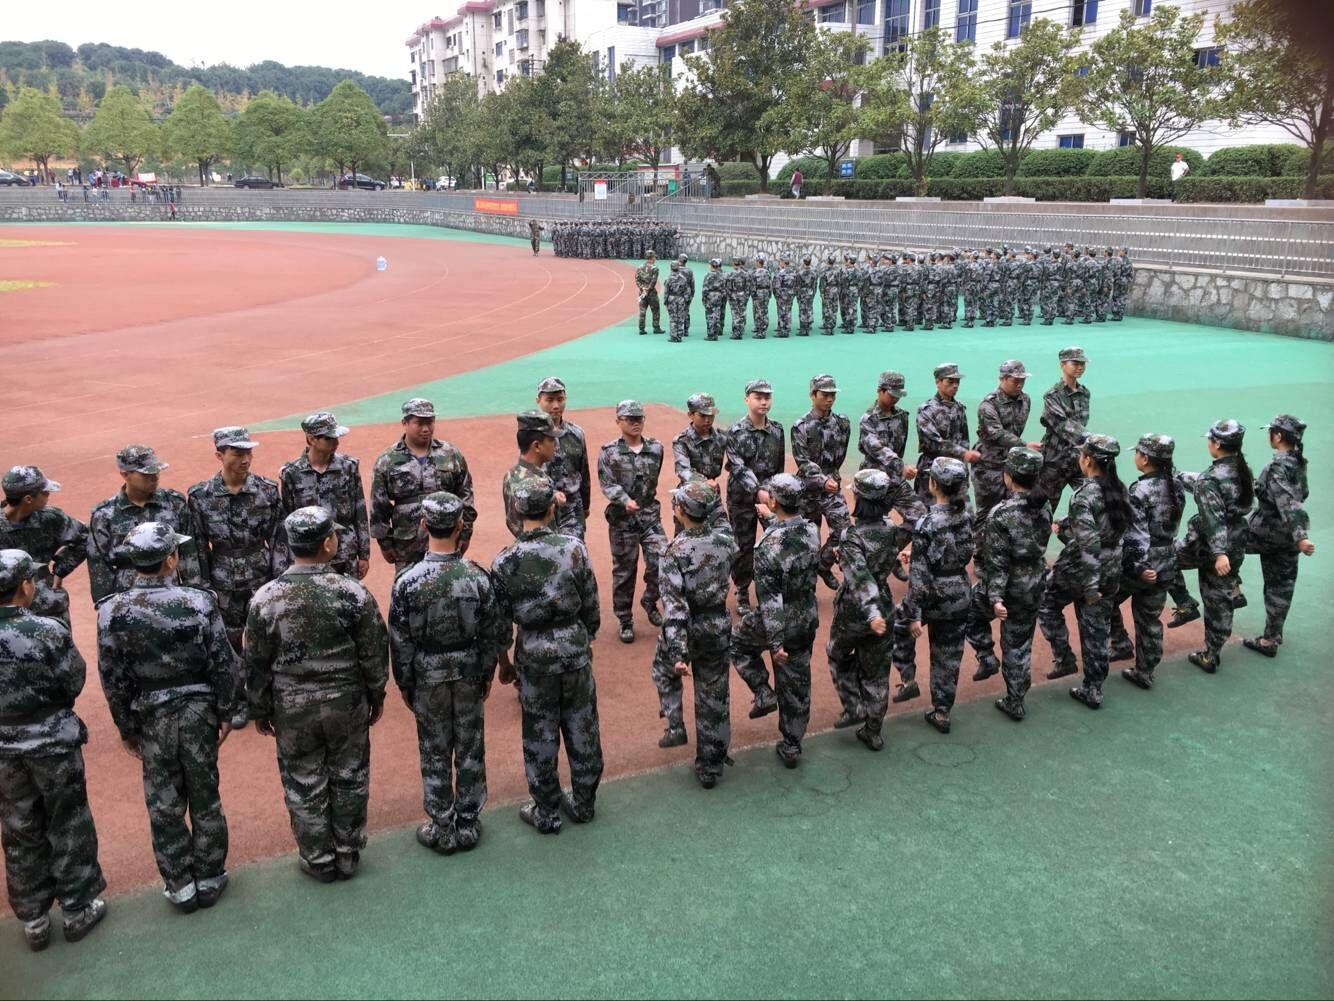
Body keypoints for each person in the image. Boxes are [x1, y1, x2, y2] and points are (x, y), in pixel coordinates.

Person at [94, 523, 237, 912]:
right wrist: (227, 710)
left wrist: (126, 727)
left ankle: (180, 885)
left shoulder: (111, 610)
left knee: (163, 801)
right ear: (171, 559)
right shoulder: (198, 601)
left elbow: (112, 677)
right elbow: (222, 661)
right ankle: (209, 875)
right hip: (197, 709)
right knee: (204, 794)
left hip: (150, 713)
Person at [245, 507, 388, 882]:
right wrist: (376, 694)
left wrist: (259, 708)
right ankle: (347, 852)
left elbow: (255, 661)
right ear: (327, 544)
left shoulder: (265, 599)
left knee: (303, 780)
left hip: (293, 706)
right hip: (345, 701)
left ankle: (318, 858)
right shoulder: (353, 592)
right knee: (349, 774)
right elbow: (374, 650)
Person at [0, 550, 108, 951]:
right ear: (26, 586)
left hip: (4, 747)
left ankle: (34, 918)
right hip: (52, 740)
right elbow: (73, 680)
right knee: (68, 820)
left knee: (18, 826)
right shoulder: (47, 630)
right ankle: (78, 907)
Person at [390, 493, 506, 855]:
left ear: (423, 525)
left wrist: (405, 682)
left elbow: (400, 641)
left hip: (428, 675)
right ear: (459, 526)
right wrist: (486, 672)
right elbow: (492, 634)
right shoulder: (477, 578)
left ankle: (442, 826)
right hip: (468, 671)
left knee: (434, 749)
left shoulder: (407, 582)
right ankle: (468, 823)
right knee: (470, 747)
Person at [491, 477, 603, 834]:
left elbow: (499, 625)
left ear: (517, 510)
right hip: (574, 649)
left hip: (534, 654)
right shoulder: (574, 549)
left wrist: (504, 663)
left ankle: (546, 811)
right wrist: (586, 637)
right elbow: (591, 604)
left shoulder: (505, 561)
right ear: (552, 508)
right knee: (582, 726)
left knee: (539, 733)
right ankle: (584, 802)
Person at [188, 427, 283, 726]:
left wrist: (279, 578)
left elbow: (278, 539)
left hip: (260, 575)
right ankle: (239, 699)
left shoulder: (267, 490)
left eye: (249, 453)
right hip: (223, 579)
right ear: (219, 455)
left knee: (266, 635)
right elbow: (198, 546)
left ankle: (266, 695)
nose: (246, 460)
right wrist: (203, 586)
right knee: (228, 642)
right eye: (238, 453)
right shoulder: (200, 496)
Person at [652, 481, 738, 783]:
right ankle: (712, 764)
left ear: (680, 511)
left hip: (689, 628)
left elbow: (674, 607)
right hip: (717, 625)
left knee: (662, 670)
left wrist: (677, 651)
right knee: (714, 695)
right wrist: (717, 500)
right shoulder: (725, 541)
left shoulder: (673, 551)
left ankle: (675, 724)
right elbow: (725, 527)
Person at [1039, 434, 1129, 709]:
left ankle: (1064, 656)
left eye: (1082, 454)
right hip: (1112, 564)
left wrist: (1090, 584)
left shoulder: (1083, 495)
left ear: (1088, 460)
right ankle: (1093, 688)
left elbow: (1089, 543)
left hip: (1084, 567)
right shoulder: (1119, 488)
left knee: (1045, 601)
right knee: (1096, 627)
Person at [964, 448, 1051, 720]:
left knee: (967, 610)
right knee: (1019, 644)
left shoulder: (1001, 513)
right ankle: (1016, 700)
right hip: (1034, 582)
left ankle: (986, 656)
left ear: (1009, 476)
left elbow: (997, 561)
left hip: (1009, 585)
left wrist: (996, 598)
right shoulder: (1044, 505)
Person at [1174, 420, 1254, 674]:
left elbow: (1213, 517)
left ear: (1217, 444)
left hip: (1210, 544)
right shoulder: (1243, 469)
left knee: (1164, 559)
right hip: (1238, 538)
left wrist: (1219, 553)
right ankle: (1212, 653)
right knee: (1220, 595)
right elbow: (1210, 486)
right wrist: (1180, 476)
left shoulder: (1211, 478)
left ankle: (1185, 604)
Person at [825, 470, 897, 750]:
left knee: (837, 652)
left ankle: (853, 704)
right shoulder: (891, 527)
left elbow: (860, 577)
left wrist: (871, 613)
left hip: (856, 610)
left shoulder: (851, 535)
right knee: (877, 672)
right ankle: (873, 731)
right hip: (885, 604)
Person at [1109, 434, 1188, 689]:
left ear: (1144, 458)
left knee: (1104, 598)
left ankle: (1120, 643)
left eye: (1138, 453)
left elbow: (1136, 535)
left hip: (1142, 563)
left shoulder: (1139, 490)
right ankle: (1145, 671)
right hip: (1167, 560)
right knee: (1150, 618)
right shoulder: (1176, 484)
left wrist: (1138, 566)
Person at [903, 458, 975, 734]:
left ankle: (907, 678)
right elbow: (960, 552)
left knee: (897, 625)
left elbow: (919, 575)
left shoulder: (927, 522)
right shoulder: (966, 514)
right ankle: (942, 710)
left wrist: (914, 614)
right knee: (949, 655)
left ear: (933, 484)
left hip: (934, 595)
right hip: (960, 591)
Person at [752, 474, 820, 768]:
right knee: (798, 679)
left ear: (773, 501)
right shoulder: (813, 530)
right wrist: (771, 518)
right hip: (807, 616)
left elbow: (770, 599)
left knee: (738, 643)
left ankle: (762, 691)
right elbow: (791, 538)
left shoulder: (766, 546)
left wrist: (776, 641)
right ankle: (793, 743)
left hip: (783, 620)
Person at [370, 398, 476, 573]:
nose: (426, 429)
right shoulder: (387, 460)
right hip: (406, 544)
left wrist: (466, 532)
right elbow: (378, 504)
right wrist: (385, 542)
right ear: (404, 423)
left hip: (447, 539)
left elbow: (465, 494)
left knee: (447, 582)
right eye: (419, 423)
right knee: (408, 584)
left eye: (430, 422)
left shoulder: (450, 454)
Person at [88, 445, 203, 602]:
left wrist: (194, 593)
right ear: (125, 474)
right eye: (146, 474)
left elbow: (188, 551)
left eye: (156, 471)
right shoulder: (105, 514)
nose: (154, 477)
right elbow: (99, 564)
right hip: (127, 597)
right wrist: (107, 603)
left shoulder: (174, 503)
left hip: (170, 593)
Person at [1243, 414, 1315, 658]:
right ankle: (1271, 638)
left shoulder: (1276, 466)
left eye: (1271, 431)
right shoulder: (1299, 462)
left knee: (1220, 543)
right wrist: (1297, 537)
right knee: (1281, 587)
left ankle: (1233, 589)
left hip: (1266, 531)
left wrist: (1301, 536)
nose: (1269, 435)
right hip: (1287, 539)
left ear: (1278, 436)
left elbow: (1287, 502)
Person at [598, 400, 667, 643]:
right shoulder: (609, 452)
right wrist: (624, 499)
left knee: (663, 560)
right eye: (630, 419)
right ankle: (625, 619)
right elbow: (607, 483)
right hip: (622, 521)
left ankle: (649, 600)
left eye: (639, 418)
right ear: (619, 421)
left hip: (649, 517)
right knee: (625, 571)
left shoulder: (656, 449)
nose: (636, 423)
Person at [279, 412, 370, 580]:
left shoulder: (348, 467)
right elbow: (287, 519)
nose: (336, 442)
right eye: (329, 438)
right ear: (311, 439)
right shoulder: (291, 473)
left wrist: (364, 554)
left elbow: (360, 510)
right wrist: (289, 560)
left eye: (336, 437)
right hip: (310, 556)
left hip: (345, 554)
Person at [725, 379, 786, 610]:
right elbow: (737, 467)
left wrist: (773, 492)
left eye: (767, 397)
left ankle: (774, 588)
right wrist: (758, 490)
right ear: (746, 399)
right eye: (758, 397)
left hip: (769, 497)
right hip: (741, 498)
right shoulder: (735, 432)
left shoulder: (777, 430)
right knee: (743, 546)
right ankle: (742, 591)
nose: (763, 402)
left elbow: (778, 467)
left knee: (777, 540)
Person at [1, 466, 88, 626]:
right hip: (7, 615)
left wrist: (60, 570)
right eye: (45, 493)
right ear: (28, 499)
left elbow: (85, 537)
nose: (48, 496)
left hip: (48, 607)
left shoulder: (50, 518)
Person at [791, 374, 851, 590]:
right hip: (808, 490)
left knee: (845, 532)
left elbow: (841, 454)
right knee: (806, 540)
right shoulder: (801, 426)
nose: (830, 399)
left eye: (832, 394)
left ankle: (823, 565)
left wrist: (831, 477)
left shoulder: (842, 423)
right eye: (825, 395)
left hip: (831, 488)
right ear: (812, 395)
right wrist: (823, 479)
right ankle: (805, 588)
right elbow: (802, 461)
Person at [973, 361, 1040, 530]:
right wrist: (1025, 445)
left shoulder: (1025, 400)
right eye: (1015, 380)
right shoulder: (988, 404)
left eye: (1023, 380)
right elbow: (997, 433)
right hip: (989, 465)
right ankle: (979, 547)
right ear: (1002, 378)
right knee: (987, 513)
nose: (1020, 384)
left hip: (1012, 463)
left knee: (1014, 510)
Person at [535, 377, 592, 541]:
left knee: (574, 551)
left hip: (572, 508)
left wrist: (585, 505)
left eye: (560, 399)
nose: (556, 405)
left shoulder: (576, 433)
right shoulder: (531, 435)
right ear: (538, 400)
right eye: (549, 400)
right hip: (542, 509)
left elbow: (584, 471)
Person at [915, 363, 980, 504]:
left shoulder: (959, 408)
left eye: (957, 382)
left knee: (964, 512)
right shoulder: (926, 410)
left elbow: (964, 441)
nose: (955, 385)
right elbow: (934, 443)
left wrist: (965, 469)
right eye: (950, 381)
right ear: (938, 382)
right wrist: (964, 453)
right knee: (930, 513)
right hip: (933, 474)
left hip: (957, 472)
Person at [1036, 347, 1092, 512]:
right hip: (1054, 461)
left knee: (1092, 501)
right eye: (1075, 363)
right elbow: (1063, 425)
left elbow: (1082, 422)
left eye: (1082, 363)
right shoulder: (1052, 396)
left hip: (1078, 460)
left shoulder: (1084, 393)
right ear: (1062, 364)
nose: (1080, 367)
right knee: (1044, 509)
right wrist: (1092, 439)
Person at [503, 411, 566, 538]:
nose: (555, 444)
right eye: (551, 440)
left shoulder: (511, 474)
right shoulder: (533, 482)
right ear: (537, 446)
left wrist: (553, 497)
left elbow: (512, 522)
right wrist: (553, 501)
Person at [672, 393, 729, 532]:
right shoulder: (682, 440)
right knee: (686, 538)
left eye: (711, 415)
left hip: (712, 495)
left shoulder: (721, 437)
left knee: (724, 534)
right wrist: (704, 481)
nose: (707, 420)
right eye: (702, 415)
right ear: (691, 415)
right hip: (690, 496)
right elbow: (683, 470)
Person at [636, 250, 664, 336]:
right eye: (654, 257)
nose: (655, 259)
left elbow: (637, 280)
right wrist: (648, 289)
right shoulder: (655, 268)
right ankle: (656, 328)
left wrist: (642, 288)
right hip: (651, 293)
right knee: (655, 310)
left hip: (642, 292)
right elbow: (654, 281)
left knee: (642, 311)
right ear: (652, 258)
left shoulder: (640, 267)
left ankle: (641, 329)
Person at [702, 258, 728, 341]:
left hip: (710, 296)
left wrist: (704, 299)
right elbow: (724, 288)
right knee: (717, 315)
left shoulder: (707, 275)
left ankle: (710, 334)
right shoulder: (721, 275)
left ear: (711, 266)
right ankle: (716, 334)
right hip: (718, 296)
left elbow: (705, 288)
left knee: (709, 315)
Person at [665, 261, 691, 343]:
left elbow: (666, 292)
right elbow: (687, 291)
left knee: (673, 318)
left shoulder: (669, 278)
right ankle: (679, 336)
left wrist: (665, 302)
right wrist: (686, 300)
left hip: (672, 298)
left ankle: (673, 336)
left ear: (671, 268)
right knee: (680, 318)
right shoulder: (683, 278)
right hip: (681, 299)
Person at [773, 254, 797, 338]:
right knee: (788, 311)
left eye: (780, 261)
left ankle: (783, 330)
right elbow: (795, 285)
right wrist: (793, 294)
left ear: (783, 262)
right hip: (790, 295)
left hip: (782, 295)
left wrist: (777, 296)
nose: (779, 263)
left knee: (782, 312)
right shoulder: (793, 272)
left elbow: (777, 286)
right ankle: (787, 327)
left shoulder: (780, 273)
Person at [818, 253, 841, 336]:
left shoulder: (824, 270)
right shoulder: (838, 270)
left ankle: (828, 328)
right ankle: (831, 325)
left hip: (827, 291)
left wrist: (822, 293)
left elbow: (822, 284)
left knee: (827, 309)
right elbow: (840, 282)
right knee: (834, 309)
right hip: (835, 291)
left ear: (828, 261)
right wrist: (838, 291)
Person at [750, 254, 773, 339]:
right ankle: (764, 328)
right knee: (765, 311)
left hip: (759, 293)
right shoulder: (767, 272)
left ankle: (760, 332)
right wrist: (770, 294)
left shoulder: (755, 273)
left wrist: (753, 297)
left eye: (756, 261)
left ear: (758, 262)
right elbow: (770, 284)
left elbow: (753, 286)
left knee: (759, 312)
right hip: (766, 293)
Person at [796, 255, 818, 336]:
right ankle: (808, 327)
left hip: (802, 292)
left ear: (803, 262)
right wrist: (813, 293)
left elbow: (798, 285)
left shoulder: (800, 273)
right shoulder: (813, 273)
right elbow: (815, 285)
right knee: (809, 309)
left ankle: (803, 329)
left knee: (802, 310)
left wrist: (798, 295)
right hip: (810, 292)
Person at [676, 254, 695, 337]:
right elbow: (692, 283)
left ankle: (677, 329)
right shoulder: (689, 271)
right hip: (687, 294)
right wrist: (692, 294)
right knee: (686, 312)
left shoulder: (675, 269)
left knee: (676, 311)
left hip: (677, 293)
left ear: (679, 260)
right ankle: (685, 330)